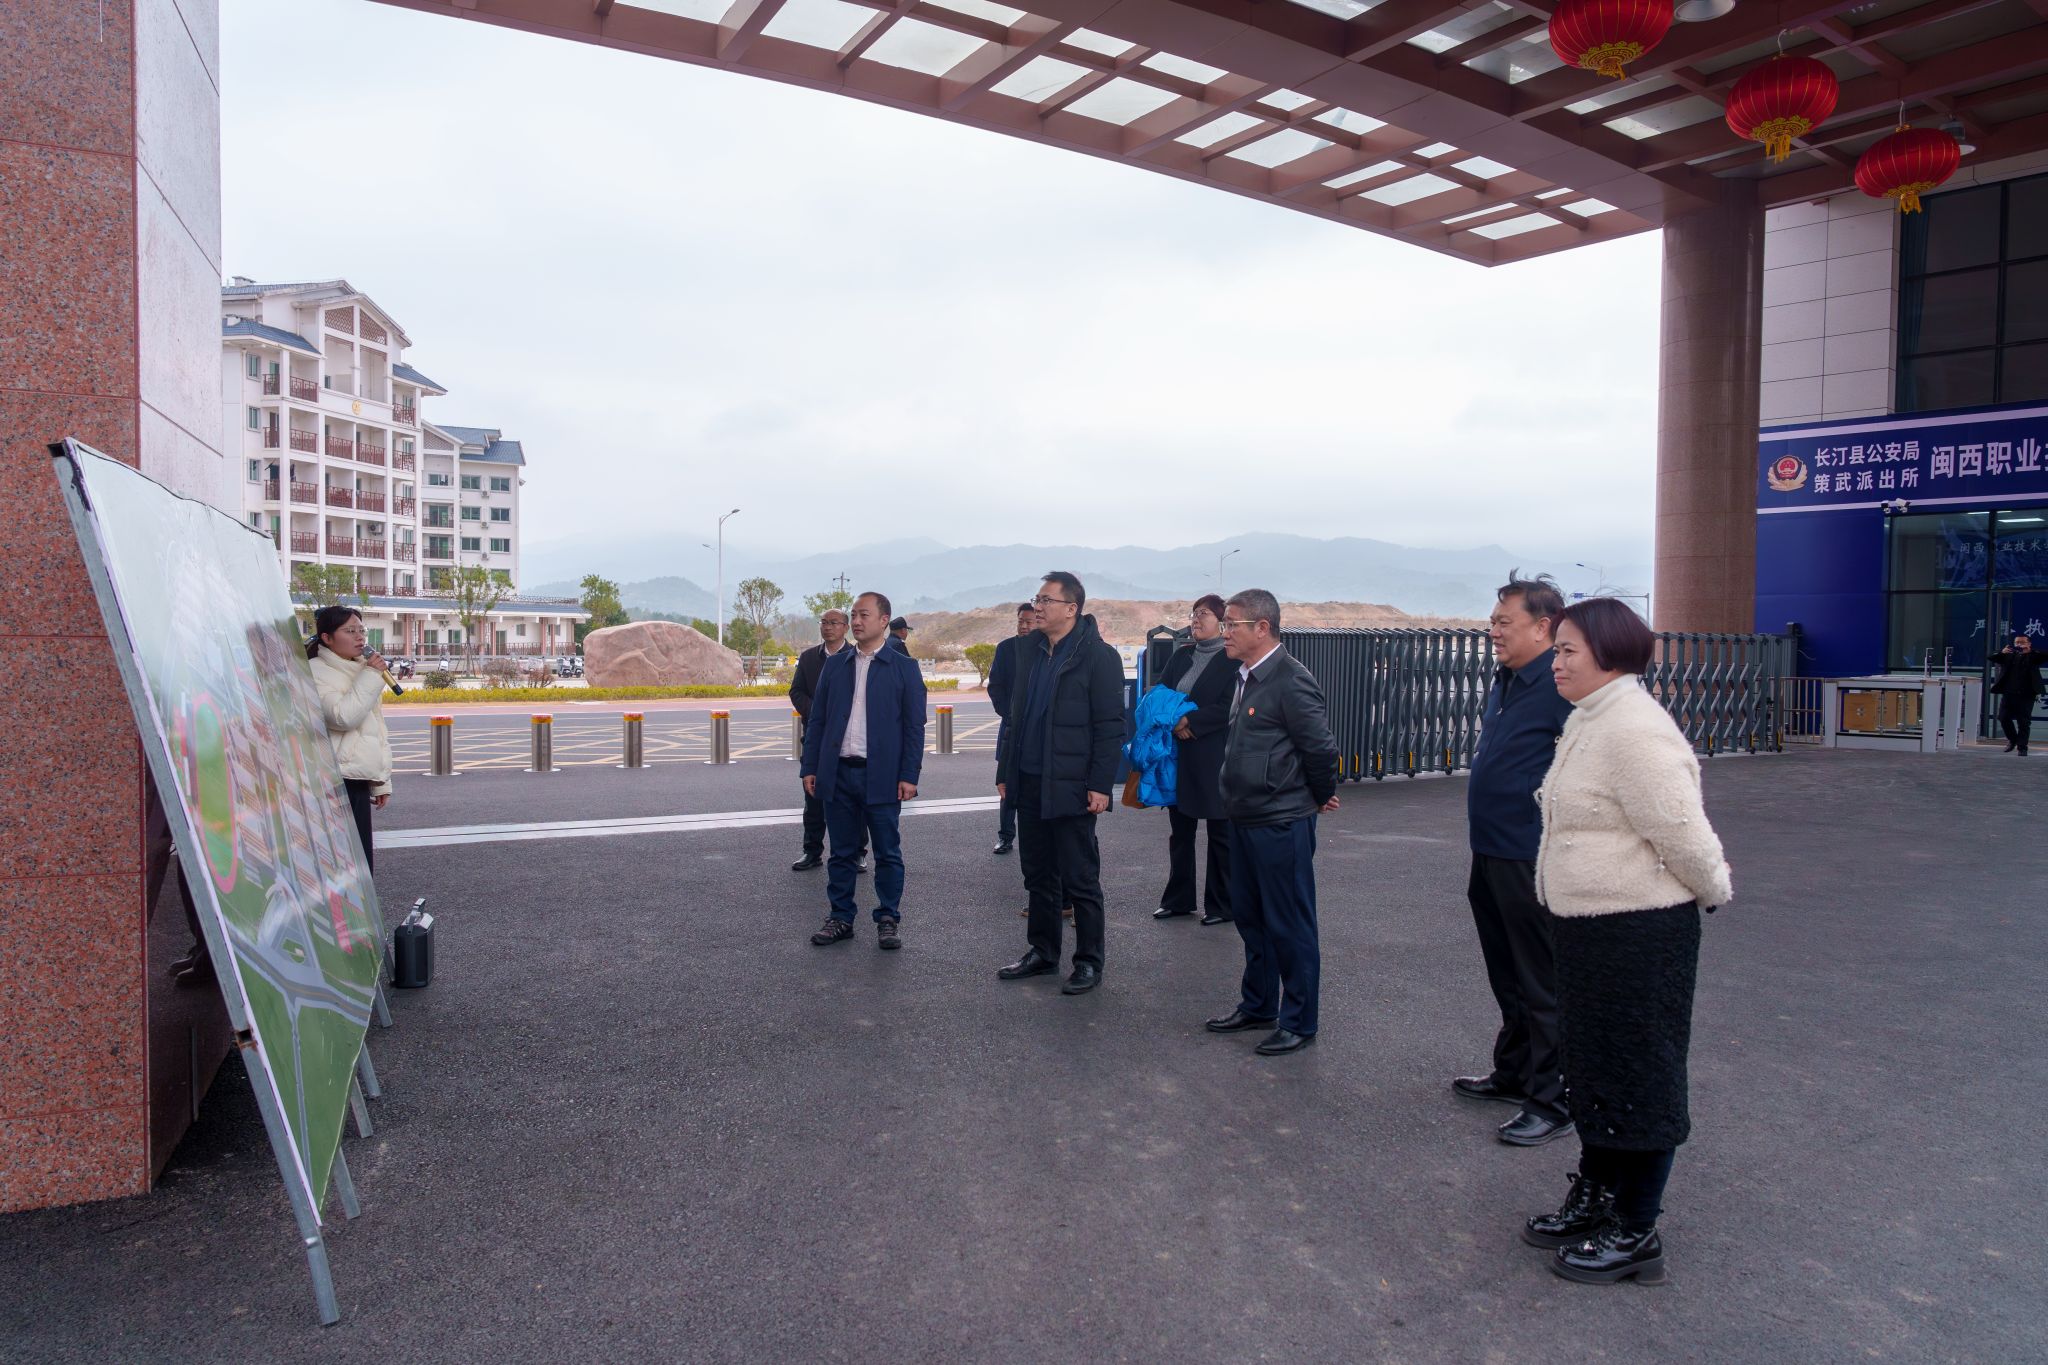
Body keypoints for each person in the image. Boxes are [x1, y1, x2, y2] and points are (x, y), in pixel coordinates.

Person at [1521, 596, 1732, 1286]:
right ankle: (1598, 1192)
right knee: (1596, 1067)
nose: (1556, 662)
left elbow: (1683, 833)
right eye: (1556, 650)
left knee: (1641, 1073)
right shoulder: (1590, 718)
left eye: (1567, 650)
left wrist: (1713, 889)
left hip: (1638, 933)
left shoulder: (1636, 729)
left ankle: (1637, 1226)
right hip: (1589, 931)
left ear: (1609, 655)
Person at [1454, 571, 1577, 1147]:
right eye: (1493, 621)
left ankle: (1554, 1100)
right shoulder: (1507, 680)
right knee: (1506, 972)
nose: (1494, 631)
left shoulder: (1561, 685)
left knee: (1541, 979)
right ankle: (1515, 1071)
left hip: (1530, 854)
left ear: (1543, 627)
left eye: (1505, 622)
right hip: (1490, 848)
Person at [1203, 589, 1339, 1056]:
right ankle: (1259, 1004)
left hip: (1281, 820)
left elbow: (1321, 749)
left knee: (1289, 923)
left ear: (1262, 628)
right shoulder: (1245, 676)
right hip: (1244, 816)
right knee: (1251, 917)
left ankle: (1299, 1020)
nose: (1225, 633)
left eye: (1232, 624)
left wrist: (1316, 796)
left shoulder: (1290, 679)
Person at [995, 572, 1124, 994]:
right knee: (1038, 875)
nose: (1037, 607)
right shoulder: (1029, 651)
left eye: (1046, 600)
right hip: (1029, 780)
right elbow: (1015, 718)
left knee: (1080, 878)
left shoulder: (1098, 657)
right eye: (1036, 599)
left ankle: (1088, 961)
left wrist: (1101, 785)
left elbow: (1110, 727)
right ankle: (1043, 952)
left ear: (1071, 609)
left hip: (1072, 785)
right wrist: (1006, 772)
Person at [801, 592, 926, 949]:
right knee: (841, 852)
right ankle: (840, 918)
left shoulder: (904, 668)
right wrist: (811, 767)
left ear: (884, 620)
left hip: (882, 775)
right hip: (838, 773)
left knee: (887, 852)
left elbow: (914, 727)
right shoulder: (836, 666)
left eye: (864, 615)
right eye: (853, 615)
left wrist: (909, 775)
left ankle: (888, 918)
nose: (856, 621)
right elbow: (818, 721)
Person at [1153, 594, 1235, 926]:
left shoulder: (1232, 659)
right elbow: (1160, 694)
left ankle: (1222, 905)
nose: (1196, 619)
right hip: (1179, 756)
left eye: (1204, 614)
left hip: (1215, 756)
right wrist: (1175, 721)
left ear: (1222, 622)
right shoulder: (1181, 656)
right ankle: (1178, 900)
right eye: (1194, 614)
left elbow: (1229, 706)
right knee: (1181, 832)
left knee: (1220, 833)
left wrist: (1190, 721)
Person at [306, 605, 394, 872]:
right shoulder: (314, 671)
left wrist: (381, 781)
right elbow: (343, 717)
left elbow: (374, 729)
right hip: (332, 780)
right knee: (338, 863)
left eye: (361, 630)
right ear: (327, 638)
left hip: (357, 779)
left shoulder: (360, 668)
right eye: (350, 631)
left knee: (360, 862)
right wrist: (371, 675)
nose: (360, 637)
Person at [789, 609, 855, 871]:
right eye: (824, 622)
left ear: (845, 627)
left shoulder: (856, 657)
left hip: (848, 739)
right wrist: (818, 712)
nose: (828, 627)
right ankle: (812, 851)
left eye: (834, 623)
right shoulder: (808, 658)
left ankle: (858, 852)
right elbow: (796, 691)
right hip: (816, 738)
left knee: (853, 801)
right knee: (813, 799)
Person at [986, 601, 1037, 856]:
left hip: (1036, 730)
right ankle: (1005, 836)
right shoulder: (1006, 648)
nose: (1024, 626)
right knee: (1007, 784)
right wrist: (1009, 713)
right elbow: (995, 685)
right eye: (1020, 621)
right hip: (1011, 727)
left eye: (1029, 622)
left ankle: (1035, 838)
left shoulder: (1045, 649)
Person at [1990, 634, 2044, 755]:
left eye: (2022, 642)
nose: (2019, 644)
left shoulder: (2034, 656)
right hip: (2009, 693)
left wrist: (2030, 651)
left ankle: (2022, 748)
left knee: (2023, 722)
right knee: (2003, 718)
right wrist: (2001, 652)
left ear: (2029, 643)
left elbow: (2045, 655)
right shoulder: (2008, 655)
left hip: (2027, 694)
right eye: (2017, 642)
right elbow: (1991, 657)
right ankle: (2013, 739)